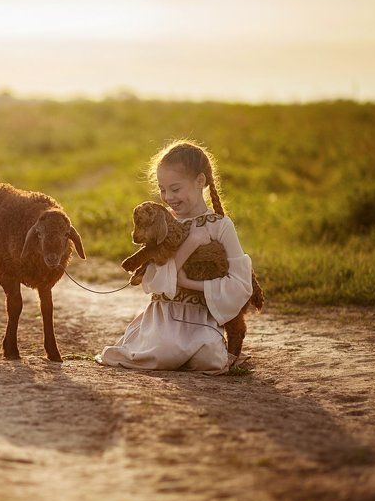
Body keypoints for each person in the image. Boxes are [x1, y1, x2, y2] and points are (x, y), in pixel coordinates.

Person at [95, 140, 255, 374]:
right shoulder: (163, 223)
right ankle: (154, 345)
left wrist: (191, 284)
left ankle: (214, 348)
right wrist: (190, 244)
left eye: (175, 188)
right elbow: (154, 282)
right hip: (165, 317)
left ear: (200, 181)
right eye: (162, 189)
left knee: (209, 360)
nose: (168, 196)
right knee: (165, 353)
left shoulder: (221, 225)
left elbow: (241, 285)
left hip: (201, 318)